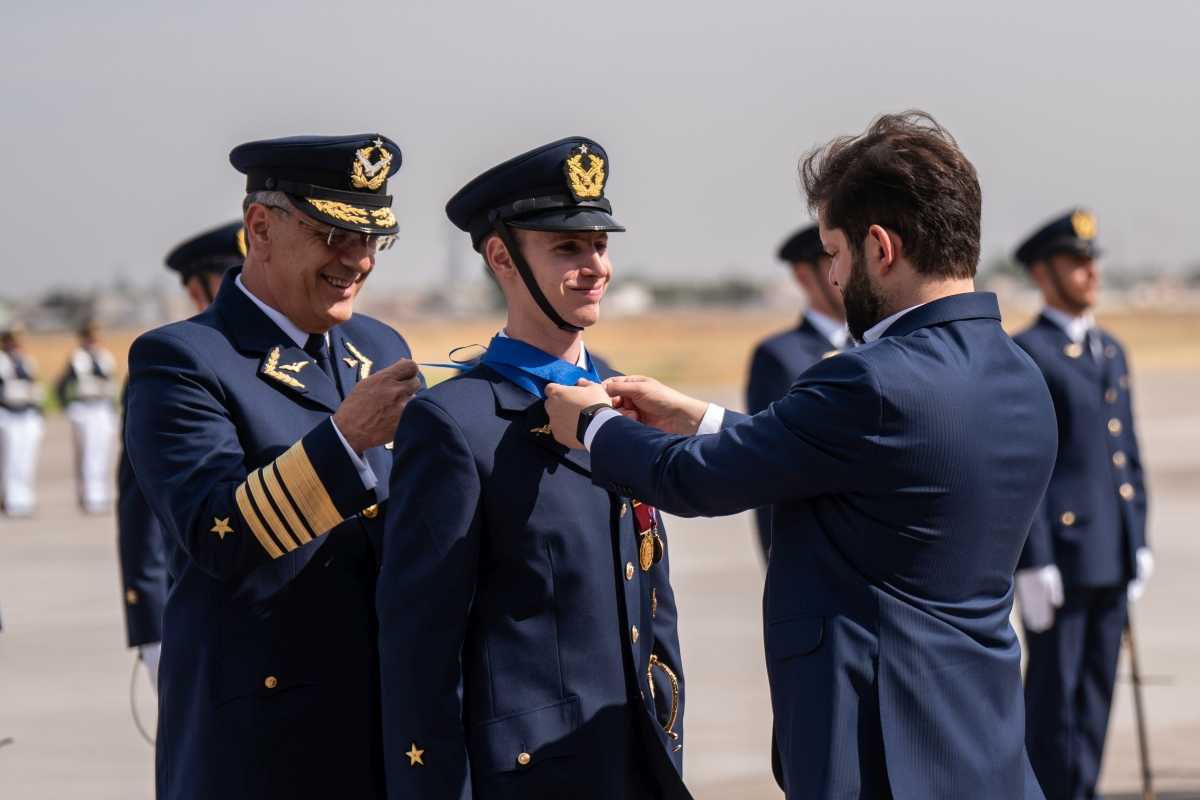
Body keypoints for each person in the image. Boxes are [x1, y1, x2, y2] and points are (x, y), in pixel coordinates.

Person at [543, 112, 1058, 799]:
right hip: (979, 738)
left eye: (834, 252)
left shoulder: (870, 378)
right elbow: (873, 464)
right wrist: (702, 416)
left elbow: (694, 482)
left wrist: (594, 425)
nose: (835, 277)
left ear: (880, 248)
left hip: (882, 750)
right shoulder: (1019, 373)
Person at [377, 137, 690, 800]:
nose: (595, 266)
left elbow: (653, 604)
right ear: (501, 257)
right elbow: (420, 655)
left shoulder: (626, 400)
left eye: (600, 245)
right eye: (566, 248)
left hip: (634, 769)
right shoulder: (457, 423)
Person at [124, 133, 422, 800]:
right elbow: (215, 530)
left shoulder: (378, 345)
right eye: (334, 235)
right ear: (260, 227)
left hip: (387, 726)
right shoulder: (183, 360)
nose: (359, 260)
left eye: (373, 240)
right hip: (265, 740)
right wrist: (344, 441)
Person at [1011, 209, 1152, 800]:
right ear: (1044, 275)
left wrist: (1138, 537)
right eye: (1076, 262)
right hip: (1061, 559)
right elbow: (1027, 464)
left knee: (1095, 699)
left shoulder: (1109, 350)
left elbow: (1126, 453)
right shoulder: (1029, 352)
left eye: (1093, 260)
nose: (1091, 271)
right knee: (1053, 707)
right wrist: (1033, 558)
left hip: (1110, 552)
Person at [116, 220, 246, 689]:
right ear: (198, 289)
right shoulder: (171, 363)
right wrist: (148, 614)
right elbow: (142, 507)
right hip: (193, 607)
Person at [746, 224, 848, 558]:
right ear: (805, 276)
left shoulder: (877, 344)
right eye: (833, 260)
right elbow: (768, 472)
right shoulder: (781, 357)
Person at [57, 320, 118, 513]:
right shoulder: (78, 358)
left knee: (102, 452)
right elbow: (62, 385)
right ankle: (90, 496)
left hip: (103, 407)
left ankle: (101, 494)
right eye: (89, 337)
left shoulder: (104, 357)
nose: (93, 341)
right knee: (89, 454)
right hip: (85, 407)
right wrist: (67, 405)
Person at [0, 324, 45, 517]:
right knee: (10, 459)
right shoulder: (2, 361)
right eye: (12, 341)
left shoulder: (26, 361)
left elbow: (34, 384)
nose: (16, 345)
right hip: (8, 413)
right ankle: (11, 499)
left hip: (27, 413)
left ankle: (24, 498)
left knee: (26, 459)